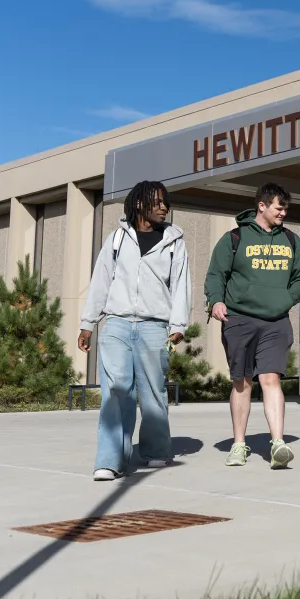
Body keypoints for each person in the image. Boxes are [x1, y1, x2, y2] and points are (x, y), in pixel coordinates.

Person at [78, 180, 190, 481]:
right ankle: (110, 460)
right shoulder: (117, 239)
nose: (164, 207)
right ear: (139, 203)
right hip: (116, 323)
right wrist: (88, 323)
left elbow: (181, 284)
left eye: (166, 202)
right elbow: (101, 281)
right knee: (115, 392)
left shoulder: (174, 241)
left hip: (155, 326)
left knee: (153, 392)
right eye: (157, 201)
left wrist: (178, 324)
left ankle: (155, 451)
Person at [205, 183, 300, 470]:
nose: (283, 212)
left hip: (276, 320)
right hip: (239, 318)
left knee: (271, 379)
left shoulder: (291, 240)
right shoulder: (235, 238)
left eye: (286, 208)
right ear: (261, 206)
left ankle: (278, 443)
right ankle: (239, 444)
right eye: (279, 207)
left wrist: (285, 301)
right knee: (242, 382)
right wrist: (216, 301)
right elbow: (216, 274)